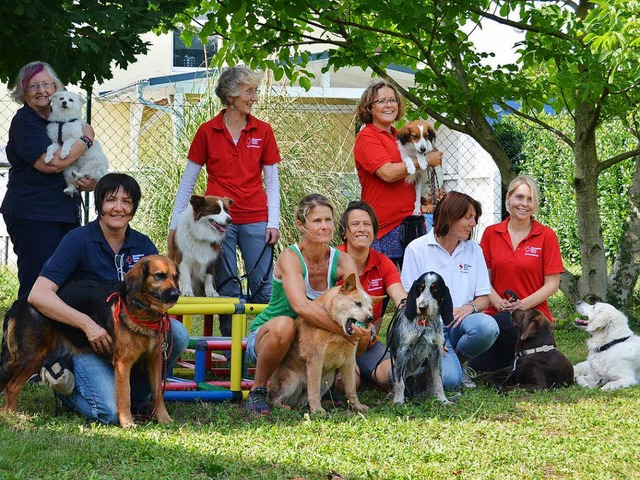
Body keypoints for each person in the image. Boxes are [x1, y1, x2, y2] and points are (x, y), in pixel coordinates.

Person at [28, 173, 190, 425]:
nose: (118, 208)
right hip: (83, 345)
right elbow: (38, 294)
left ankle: (142, 398)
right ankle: (67, 392)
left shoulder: (142, 245)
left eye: (126, 201)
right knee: (110, 413)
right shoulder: (77, 241)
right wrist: (87, 324)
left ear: (133, 208)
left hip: (127, 342)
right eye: (111, 200)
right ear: (99, 205)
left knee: (176, 333)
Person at [168, 66, 281, 336]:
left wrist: (273, 222)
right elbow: (188, 183)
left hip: (256, 218)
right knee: (227, 287)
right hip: (215, 224)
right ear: (230, 95)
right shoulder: (207, 131)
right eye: (249, 91)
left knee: (263, 286)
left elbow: (273, 182)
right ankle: (231, 354)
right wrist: (175, 226)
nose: (254, 97)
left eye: (255, 91)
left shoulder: (263, 131)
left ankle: (260, 348)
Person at [244, 194, 370, 415]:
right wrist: (347, 332)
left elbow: (357, 300)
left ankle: (336, 384)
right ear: (301, 226)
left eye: (328, 220)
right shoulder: (289, 257)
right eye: (317, 221)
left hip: (310, 337)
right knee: (285, 325)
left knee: (362, 330)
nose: (324, 227)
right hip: (272, 336)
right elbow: (300, 307)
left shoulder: (342, 260)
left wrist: (357, 329)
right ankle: (258, 390)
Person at [2, 61, 97, 298]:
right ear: (23, 91)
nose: (41, 90)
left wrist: (89, 182)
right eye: (33, 86)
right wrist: (86, 141)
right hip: (34, 214)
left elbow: (80, 164)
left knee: (64, 286)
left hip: (64, 211)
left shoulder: (60, 120)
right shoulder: (24, 122)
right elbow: (50, 163)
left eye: (47, 84)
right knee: (36, 285)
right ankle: (18, 335)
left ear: (57, 88)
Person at [401, 191, 499, 389]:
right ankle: (431, 360)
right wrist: (431, 334)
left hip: (460, 322)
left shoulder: (473, 249)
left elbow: (483, 298)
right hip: (428, 325)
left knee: (488, 327)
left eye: (474, 218)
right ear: (450, 216)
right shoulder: (417, 249)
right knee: (450, 382)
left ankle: (459, 362)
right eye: (468, 217)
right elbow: (407, 301)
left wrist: (468, 308)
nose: (473, 224)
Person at [469, 175, 564, 372]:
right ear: (508, 198)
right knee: (479, 365)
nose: (524, 204)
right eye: (520, 197)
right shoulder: (491, 233)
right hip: (495, 314)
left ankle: (518, 359)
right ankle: (516, 360)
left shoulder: (546, 236)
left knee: (503, 338)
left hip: (532, 318)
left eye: (530, 199)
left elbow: (552, 284)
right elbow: (483, 278)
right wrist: (498, 303)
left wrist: (522, 305)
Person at [353, 81, 443, 266]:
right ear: (369, 108)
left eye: (392, 100)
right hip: (383, 226)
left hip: (411, 221)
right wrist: (424, 161)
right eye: (381, 101)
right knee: (382, 289)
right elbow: (387, 173)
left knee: (411, 287)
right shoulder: (367, 137)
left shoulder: (401, 136)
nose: (388, 105)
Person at [337, 200, 407, 390]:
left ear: (375, 232)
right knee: (345, 386)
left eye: (367, 224)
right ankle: (355, 373)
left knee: (393, 376)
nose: (362, 229)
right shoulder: (332, 260)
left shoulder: (383, 263)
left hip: (368, 342)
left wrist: (408, 307)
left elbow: (399, 294)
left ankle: (367, 369)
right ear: (344, 232)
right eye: (355, 224)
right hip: (337, 341)